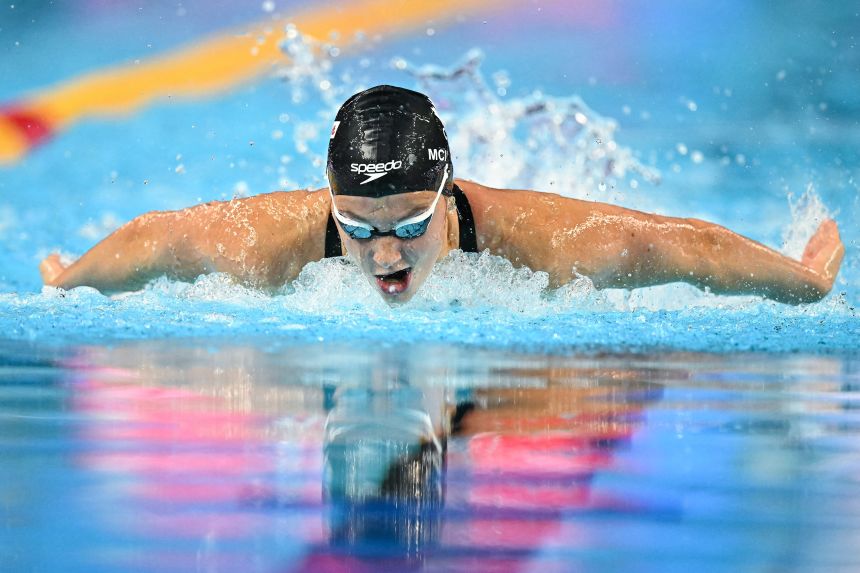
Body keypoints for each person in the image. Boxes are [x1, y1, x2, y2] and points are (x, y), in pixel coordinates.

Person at [40, 85, 844, 305]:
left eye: (412, 224)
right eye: (357, 227)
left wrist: (804, 282)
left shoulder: (551, 247)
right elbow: (155, 238)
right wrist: (67, 278)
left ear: (447, 194)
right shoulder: (258, 247)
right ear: (328, 198)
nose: (384, 254)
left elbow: (681, 246)